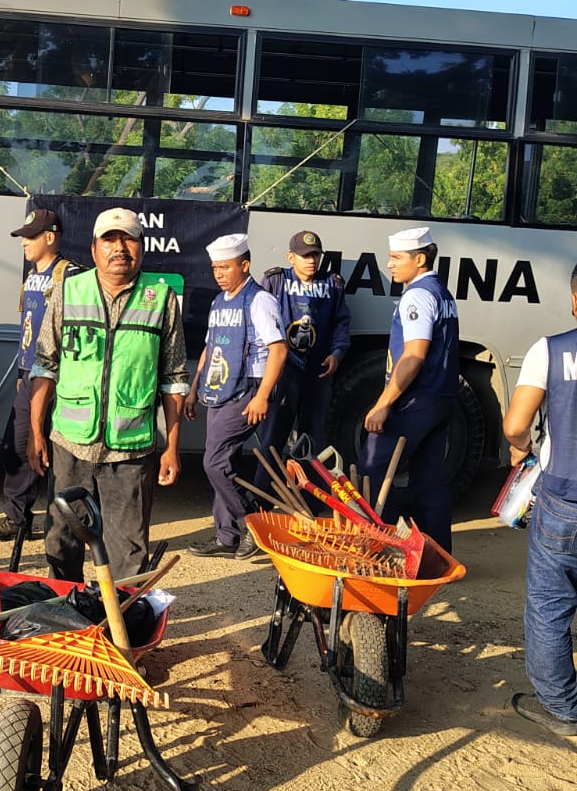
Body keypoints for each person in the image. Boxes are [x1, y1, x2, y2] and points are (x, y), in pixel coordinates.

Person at [28, 208, 187, 583]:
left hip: (130, 451)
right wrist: (36, 433)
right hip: (71, 446)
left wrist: (171, 447)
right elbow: (45, 366)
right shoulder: (68, 291)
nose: (119, 248)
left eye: (128, 239)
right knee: (61, 543)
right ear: (94, 248)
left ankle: (119, 616)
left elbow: (174, 378)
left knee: (127, 553)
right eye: (109, 240)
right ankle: (65, 611)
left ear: (141, 248)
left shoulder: (161, 299)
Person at [501, 269, 577, 738]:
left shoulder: (550, 350)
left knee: (550, 606)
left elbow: (515, 425)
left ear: (575, 299)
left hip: (564, 499)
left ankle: (562, 708)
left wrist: (522, 447)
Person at [186, 232, 287, 558]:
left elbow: (279, 349)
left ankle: (252, 523)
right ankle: (226, 536)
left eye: (225, 267)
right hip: (220, 388)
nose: (219, 274)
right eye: (216, 268)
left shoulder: (259, 300)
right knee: (223, 460)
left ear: (244, 265)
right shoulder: (219, 301)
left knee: (214, 463)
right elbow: (210, 347)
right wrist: (194, 388)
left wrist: (262, 396)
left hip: (248, 387)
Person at [359, 225, 459, 553]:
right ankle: (437, 556)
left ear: (419, 259)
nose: (389, 264)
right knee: (430, 480)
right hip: (440, 397)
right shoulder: (441, 292)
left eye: (397, 257)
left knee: (373, 471)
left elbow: (414, 355)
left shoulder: (417, 295)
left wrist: (383, 403)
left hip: (415, 400)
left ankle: (383, 549)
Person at [0, 208, 73, 543]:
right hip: (29, 373)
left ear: (50, 237)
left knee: (59, 451)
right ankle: (17, 518)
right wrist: (22, 371)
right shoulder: (31, 276)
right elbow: (28, 326)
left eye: (30, 236)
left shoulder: (68, 275)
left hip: (58, 376)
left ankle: (63, 522)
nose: (24, 243)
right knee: (18, 445)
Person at [254, 229, 351, 463]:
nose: (311, 260)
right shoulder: (276, 280)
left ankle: (307, 486)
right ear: (291, 257)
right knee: (272, 439)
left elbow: (341, 322)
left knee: (313, 442)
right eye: (305, 255)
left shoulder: (332, 284)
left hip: (318, 372)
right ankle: (265, 487)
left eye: (315, 255)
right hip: (283, 371)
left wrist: (337, 353)